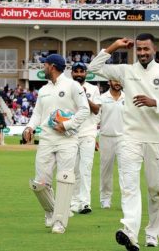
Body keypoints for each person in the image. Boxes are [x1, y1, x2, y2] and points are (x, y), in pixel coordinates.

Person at [88, 33, 159, 250]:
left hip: (156, 139)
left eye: (146, 49)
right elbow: (93, 68)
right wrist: (114, 46)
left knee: (155, 189)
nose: (142, 53)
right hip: (130, 138)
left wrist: (155, 103)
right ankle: (130, 232)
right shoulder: (126, 71)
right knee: (129, 187)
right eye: (139, 49)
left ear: (154, 50)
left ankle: (152, 233)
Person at [23, 54, 89, 233]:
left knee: (64, 180)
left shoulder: (73, 86)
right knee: (40, 182)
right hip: (46, 139)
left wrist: (66, 124)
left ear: (51, 66)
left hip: (67, 139)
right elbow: (37, 113)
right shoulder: (43, 89)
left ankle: (60, 221)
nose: (42, 68)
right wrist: (29, 127)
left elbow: (85, 110)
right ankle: (51, 211)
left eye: (44, 65)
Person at [70, 61, 101, 214]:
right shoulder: (67, 87)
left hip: (88, 133)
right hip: (71, 134)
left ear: (85, 74)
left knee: (85, 169)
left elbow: (96, 110)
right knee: (73, 170)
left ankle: (85, 203)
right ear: (71, 73)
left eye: (81, 71)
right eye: (76, 71)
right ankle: (73, 202)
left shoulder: (93, 89)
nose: (78, 74)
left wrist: (83, 95)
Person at [96, 80, 125, 209]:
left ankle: (127, 199)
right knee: (105, 171)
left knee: (126, 171)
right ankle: (105, 199)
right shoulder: (102, 98)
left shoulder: (128, 98)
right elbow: (95, 119)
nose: (117, 83)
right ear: (109, 82)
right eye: (115, 80)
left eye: (119, 80)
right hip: (106, 138)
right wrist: (93, 136)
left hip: (124, 138)